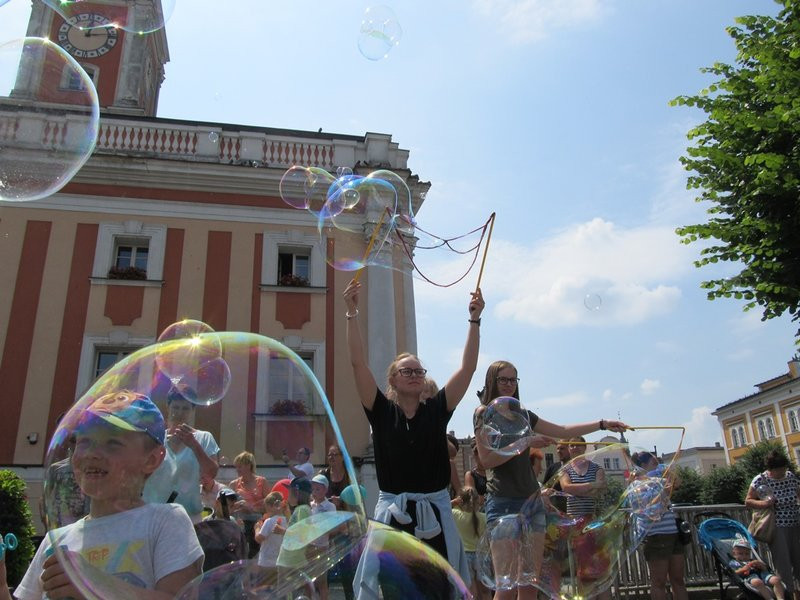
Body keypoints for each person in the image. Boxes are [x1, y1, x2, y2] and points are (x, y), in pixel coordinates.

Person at [343, 277, 484, 585]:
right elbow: (357, 364)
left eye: (419, 371)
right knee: (397, 589)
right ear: (392, 380)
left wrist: (474, 319)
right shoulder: (381, 412)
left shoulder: (436, 410)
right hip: (394, 521)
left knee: (438, 589)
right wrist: (352, 314)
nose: (415, 375)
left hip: (435, 520)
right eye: (406, 371)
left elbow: (468, 368)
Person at [14, 390, 204, 600]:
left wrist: (95, 584)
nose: (91, 453)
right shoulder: (55, 541)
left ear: (151, 460)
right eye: (83, 441)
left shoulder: (165, 521)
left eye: (112, 443)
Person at [473, 360, 627, 600]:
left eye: (513, 379)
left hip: (532, 502)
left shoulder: (522, 414)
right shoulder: (484, 413)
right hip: (503, 501)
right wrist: (525, 442)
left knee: (529, 583)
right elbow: (487, 460)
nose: (508, 385)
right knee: (507, 584)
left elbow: (562, 428)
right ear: (492, 381)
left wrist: (602, 424)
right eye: (503, 379)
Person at [143, 385, 220, 523]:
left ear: (193, 410)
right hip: (153, 515)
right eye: (176, 407)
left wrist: (194, 445)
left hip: (188, 517)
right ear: (168, 407)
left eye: (185, 408)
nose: (180, 413)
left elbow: (211, 473)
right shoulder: (156, 439)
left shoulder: (203, 438)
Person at [630, 451, 688, 600]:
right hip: (655, 536)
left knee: (678, 580)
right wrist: (664, 491)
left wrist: (669, 470)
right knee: (659, 582)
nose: (658, 466)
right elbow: (645, 507)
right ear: (643, 466)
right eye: (654, 463)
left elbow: (679, 483)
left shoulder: (659, 481)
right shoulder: (636, 485)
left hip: (673, 533)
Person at [559, 437, 610, 600]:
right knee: (582, 568)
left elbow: (602, 487)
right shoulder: (566, 469)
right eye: (571, 445)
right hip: (575, 524)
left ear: (584, 447)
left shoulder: (596, 468)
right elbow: (567, 487)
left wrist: (580, 488)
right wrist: (591, 485)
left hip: (594, 521)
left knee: (600, 567)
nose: (574, 448)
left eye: (578, 445)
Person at [745, 450, 800, 600]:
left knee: (798, 560)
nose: (781, 472)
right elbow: (748, 501)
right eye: (778, 470)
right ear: (771, 470)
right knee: (783, 564)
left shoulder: (790, 477)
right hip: (776, 526)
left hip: (795, 522)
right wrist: (764, 503)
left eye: (783, 468)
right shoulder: (760, 480)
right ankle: (787, 595)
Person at [229, 451, 270, 559]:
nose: (237, 469)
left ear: (248, 466)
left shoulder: (261, 482)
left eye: (240, 466)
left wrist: (252, 509)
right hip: (241, 523)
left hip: (258, 522)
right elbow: (227, 509)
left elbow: (269, 506)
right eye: (236, 467)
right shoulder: (234, 484)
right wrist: (236, 507)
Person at [452, 487, 488, 600]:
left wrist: (454, 502)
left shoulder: (456, 515)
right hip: (481, 555)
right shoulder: (484, 518)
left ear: (461, 501)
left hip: (465, 555)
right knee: (485, 590)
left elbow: (442, 508)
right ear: (478, 501)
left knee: (471, 591)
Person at [310, 474, 337, 600]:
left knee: (322, 580)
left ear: (325, 490)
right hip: (309, 546)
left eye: (318, 489)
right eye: (313, 489)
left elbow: (332, 526)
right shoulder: (310, 505)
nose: (314, 492)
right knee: (309, 579)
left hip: (322, 547)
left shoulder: (330, 507)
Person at [255, 492, 287, 570]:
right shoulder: (286, 520)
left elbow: (260, 538)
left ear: (271, 506)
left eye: (266, 507)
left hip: (266, 561)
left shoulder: (269, 521)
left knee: (267, 581)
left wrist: (257, 528)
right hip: (280, 560)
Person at [541, 440, 571, 513]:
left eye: (562, 448)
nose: (558, 451)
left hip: (574, 508)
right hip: (556, 511)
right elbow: (545, 487)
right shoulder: (552, 468)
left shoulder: (576, 466)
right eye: (557, 449)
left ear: (569, 449)